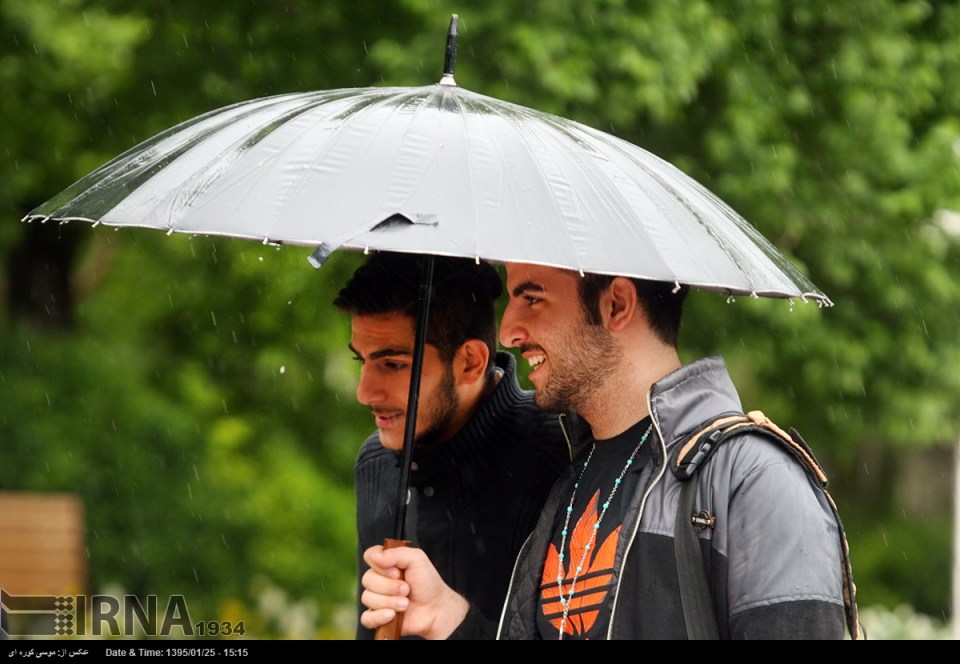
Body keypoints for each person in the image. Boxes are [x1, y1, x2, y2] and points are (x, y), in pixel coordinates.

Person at [358, 262, 856, 640]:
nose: (508, 331)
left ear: (616, 304)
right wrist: (449, 618)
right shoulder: (571, 477)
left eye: (532, 299)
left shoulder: (753, 479)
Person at [333, 253, 573, 640]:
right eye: (361, 360)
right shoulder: (376, 462)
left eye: (392, 364)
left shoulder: (567, 448)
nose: (365, 392)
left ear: (470, 362)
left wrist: (452, 621)